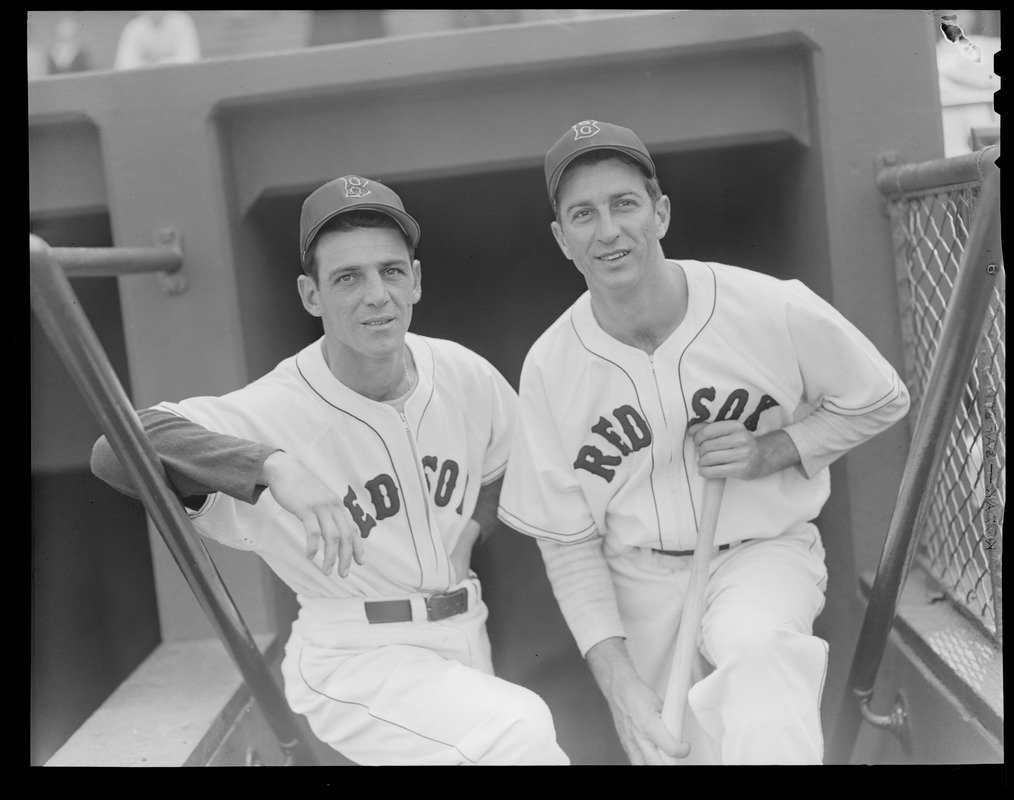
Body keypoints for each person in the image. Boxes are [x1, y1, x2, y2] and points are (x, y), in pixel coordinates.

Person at [91, 175, 570, 766]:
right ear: (310, 295)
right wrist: (273, 464)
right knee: (518, 731)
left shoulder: (463, 373)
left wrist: (470, 530)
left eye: (391, 271)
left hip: (463, 628)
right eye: (347, 277)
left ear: (416, 279)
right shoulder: (274, 407)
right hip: (355, 654)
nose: (377, 295)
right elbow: (115, 447)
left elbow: (507, 465)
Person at [497, 120, 911, 765]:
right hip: (636, 579)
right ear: (561, 239)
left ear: (660, 213)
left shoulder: (764, 306)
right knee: (673, 751)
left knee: (762, 661)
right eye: (583, 214)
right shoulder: (552, 365)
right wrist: (618, 682)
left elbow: (880, 397)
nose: (608, 230)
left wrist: (775, 450)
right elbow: (567, 542)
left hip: (759, 552)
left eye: (625, 203)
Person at [114, 11, 201, 70]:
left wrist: (155, 63)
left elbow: (191, 59)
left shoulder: (182, 22)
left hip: (178, 81)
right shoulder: (134, 28)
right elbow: (122, 65)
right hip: (143, 84)